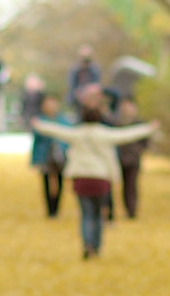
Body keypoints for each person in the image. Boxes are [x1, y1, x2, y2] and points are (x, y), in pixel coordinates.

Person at [32, 102, 157, 260]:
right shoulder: (106, 134)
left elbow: (56, 131)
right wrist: (149, 128)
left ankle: (87, 245)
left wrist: (39, 124)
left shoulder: (76, 133)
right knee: (98, 214)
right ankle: (96, 246)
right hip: (101, 178)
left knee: (85, 214)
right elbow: (127, 134)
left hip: (81, 178)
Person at [29, 93, 69, 218]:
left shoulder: (63, 121)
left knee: (60, 182)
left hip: (61, 156)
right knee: (46, 183)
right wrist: (35, 160)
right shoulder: (40, 120)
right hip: (45, 156)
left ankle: (57, 208)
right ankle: (50, 210)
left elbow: (68, 138)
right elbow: (36, 142)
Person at [113, 98, 150, 220]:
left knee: (131, 185)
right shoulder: (118, 123)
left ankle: (131, 210)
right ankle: (125, 209)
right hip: (120, 158)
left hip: (133, 159)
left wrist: (138, 150)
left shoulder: (139, 123)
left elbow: (145, 141)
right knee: (123, 185)